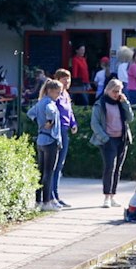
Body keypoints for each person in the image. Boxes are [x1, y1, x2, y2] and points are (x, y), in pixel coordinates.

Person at [92, 78, 135, 208]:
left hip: (122, 138)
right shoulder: (100, 104)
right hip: (108, 139)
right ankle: (106, 196)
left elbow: (130, 118)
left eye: (119, 91)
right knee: (109, 167)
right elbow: (95, 123)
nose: (117, 94)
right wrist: (104, 138)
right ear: (108, 90)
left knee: (118, 169)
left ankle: (113, 196)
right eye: (114, 91)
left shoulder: (121, 103)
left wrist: (125, 103)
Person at [26, 81, 67, 209]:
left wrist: (39, 121)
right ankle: (47, 202)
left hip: (41, 139)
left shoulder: (40, 102)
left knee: (40, 172)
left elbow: (30, 113)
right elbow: (50, 111)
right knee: (49, 172)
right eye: (57, 93)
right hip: (51, 140)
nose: (59, 95)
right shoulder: (50, 103)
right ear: (50, 91)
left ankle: (37, 201)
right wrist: (50, 121)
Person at [51, 70, 78, 204]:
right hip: (57, 130)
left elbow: (69, 111)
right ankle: (51, 195)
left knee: (60, 164)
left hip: (65, 130)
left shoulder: (66, 94)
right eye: (64, 79)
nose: (67, 81)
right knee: (54, 164)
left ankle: (56, 195)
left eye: (68, 78)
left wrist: (73, 123)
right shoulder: (55, 96)